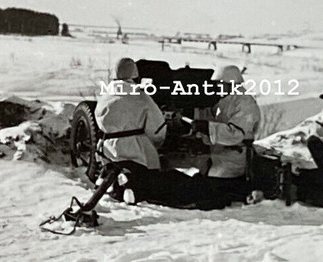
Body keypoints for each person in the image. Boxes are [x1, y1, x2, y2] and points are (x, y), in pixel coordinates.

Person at [94, 57, 193, 207]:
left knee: (116, 163)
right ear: (135, 74)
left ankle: (113, 179)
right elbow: (156, 125)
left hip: (108, 147)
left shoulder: (105, 95)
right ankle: (133, 187)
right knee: (148, 175)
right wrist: (156, 143)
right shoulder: (140, 96)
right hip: (135, 148)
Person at [187, 64, 262, 209]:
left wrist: (207, 127)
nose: (218, 88)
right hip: (220, 155)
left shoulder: (245, 103)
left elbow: (235, 134)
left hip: (234, 158)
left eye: (220, 84)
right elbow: (216, 125)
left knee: (209, 189)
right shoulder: (226, 101)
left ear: (231, 82)